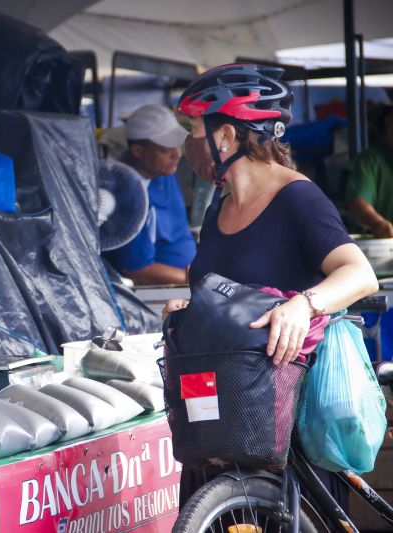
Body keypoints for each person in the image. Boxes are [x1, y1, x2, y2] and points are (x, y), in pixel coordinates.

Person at [165, 63, 378, 513]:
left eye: (193, 130)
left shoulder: (297, 197)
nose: (188, 144)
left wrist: (303, 305)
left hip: (286, 429)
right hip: (224, 421)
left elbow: (359, 273)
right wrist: (192, 309)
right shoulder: (217, 209)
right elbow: (227, 297)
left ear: (225, 136)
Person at [102, 104, 196, 285]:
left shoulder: (162, 171)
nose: (176, 155)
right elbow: (138, 271)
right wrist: (196, 281)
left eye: (176, 146)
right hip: (163, 291)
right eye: (165, 149)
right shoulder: (124, 196)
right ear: (138, 151)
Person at [346, 104, 393, 237]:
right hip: (383, 247)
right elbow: (358, 202)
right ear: (388, 123)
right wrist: (378, 223)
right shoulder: (369, 161)